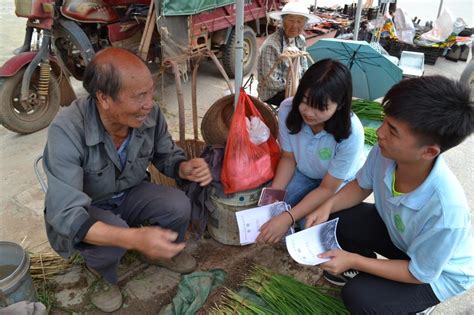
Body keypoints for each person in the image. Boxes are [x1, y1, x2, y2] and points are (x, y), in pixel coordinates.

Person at [43, 48, 212, 312]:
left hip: (130, 192)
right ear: (103, 98)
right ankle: (99, 272)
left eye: (150, 92)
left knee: (178, 205)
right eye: (139, 96)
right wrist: (132, 238)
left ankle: (155, 252)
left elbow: (166, 155)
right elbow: (68, 215)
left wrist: (183, 167)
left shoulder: (149, 115)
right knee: (111, 246)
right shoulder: (67, 130)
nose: (149, 103)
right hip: (90, 207)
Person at [306, 76, 474, 313]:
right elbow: (361, 186)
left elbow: (419, 273)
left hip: (436, 273)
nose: (381, 133)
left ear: (428, 152)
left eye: (393, 131)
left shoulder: (446, 212)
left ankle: (415, 306)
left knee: (360, 298)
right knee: (339, 218)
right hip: (403, 239)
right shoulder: (386, 152)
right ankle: (360, 269)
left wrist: (354, 259)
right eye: (385, 122)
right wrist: (326, 207)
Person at [256, 59, 365, 244]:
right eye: (305, 101)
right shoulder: (287, 109)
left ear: (339, 105)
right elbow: (289, 158)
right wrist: (275, 193)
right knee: (270, 209)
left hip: (338, 182)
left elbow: (327, 188)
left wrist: (287, 218)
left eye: (321, 107)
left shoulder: (351, 132)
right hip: (304, 172)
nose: (309, 113)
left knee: (307, 223)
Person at [257, 1, 320, 107]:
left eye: (299, 21)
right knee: (308, 104)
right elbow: (271, 82)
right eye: (291, 20)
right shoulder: (272, 45)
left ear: (305, 24)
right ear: (282, 21)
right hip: (273, 93)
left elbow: (303, 68)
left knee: (320, 96)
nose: (295, 25)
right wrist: (297, 87)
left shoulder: (300, 39)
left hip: (294, 87)